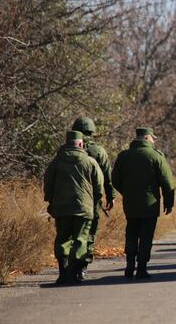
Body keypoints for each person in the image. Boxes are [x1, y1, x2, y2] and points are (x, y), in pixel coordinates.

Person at [112, 127, 175, 279]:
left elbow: (115, 180)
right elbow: (168, 183)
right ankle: (141, 268)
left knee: (131, 233)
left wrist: (126, 192)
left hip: (130, 204)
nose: (154, 141)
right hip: (150, 205)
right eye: (152, 138)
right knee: (146, 236)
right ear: (146, 138)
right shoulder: (156, 156)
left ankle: (129, 266)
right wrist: (168, 202)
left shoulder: (123, 156)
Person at [44, 131, 104, 285]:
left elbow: (48, 184)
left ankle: (63, 272)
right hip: (83, 208)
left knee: (62, 238)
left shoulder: (56, 161)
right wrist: (95, 201)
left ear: (66, 143)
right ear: (81, 144)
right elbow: (98, 187)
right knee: (80, 240)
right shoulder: (90, 162)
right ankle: (74, 272)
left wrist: (51, 201)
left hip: (62, 208)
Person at [71, 117, 116, 279]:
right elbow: (107, 177)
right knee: (89, 233)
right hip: (91, 200)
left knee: (69, 233)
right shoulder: (98, 151)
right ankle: (82, 266)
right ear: (92, 131)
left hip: (67, 199)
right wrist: (110, 196)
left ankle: (68, 267)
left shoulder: (65, 150)